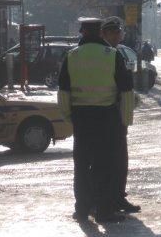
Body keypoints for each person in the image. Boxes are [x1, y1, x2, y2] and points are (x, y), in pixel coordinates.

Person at [57, 17, 134, 223]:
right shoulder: (112, 55)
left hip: (81, 119)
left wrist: (69, 115)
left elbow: (63, 90)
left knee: (82, 166)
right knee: (105, 165)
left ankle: (82, 210)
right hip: (107, 118)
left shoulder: (71, 56)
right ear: (101, 33)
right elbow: (126, 91)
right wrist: (125, 121)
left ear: (82, 33)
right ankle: (104, 211)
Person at [101, 16, 140, 214]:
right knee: (114, 160)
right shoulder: (108, 54)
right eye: (113, 32)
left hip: (102, 114)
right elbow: (124, 86)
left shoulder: (115, 53)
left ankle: (116, 197)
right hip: (111, 114)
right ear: (104, 34)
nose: (117, 35)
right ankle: (112, 199)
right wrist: (126, 117)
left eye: (119, 32)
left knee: (117, 160)